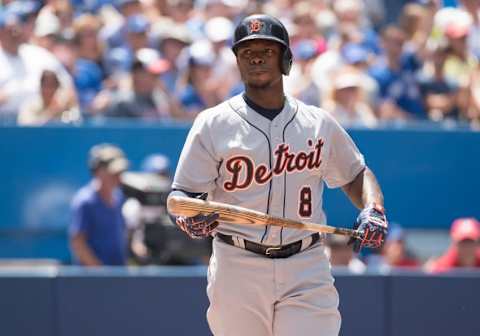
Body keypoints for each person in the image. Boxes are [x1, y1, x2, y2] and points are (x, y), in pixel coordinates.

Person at [167, 14, 388, 336]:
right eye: (246, 52)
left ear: (286, 59)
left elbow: (356, 174)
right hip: (237, 263)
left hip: (306, 263)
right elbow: (182, 197)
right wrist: (189, 217)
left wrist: (372, 209)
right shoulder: (213, 123)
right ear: (237, 62)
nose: (255, 57)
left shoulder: (317, 122)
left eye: (266, 50)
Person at [69, 143, 130, 266]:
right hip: (92, 281)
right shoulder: (85, 201)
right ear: (98, 172)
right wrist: (99, 271)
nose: (119, 177)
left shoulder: (118, 197)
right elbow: (78, 242)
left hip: (118, 276)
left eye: (120, 173)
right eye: (114, 173)